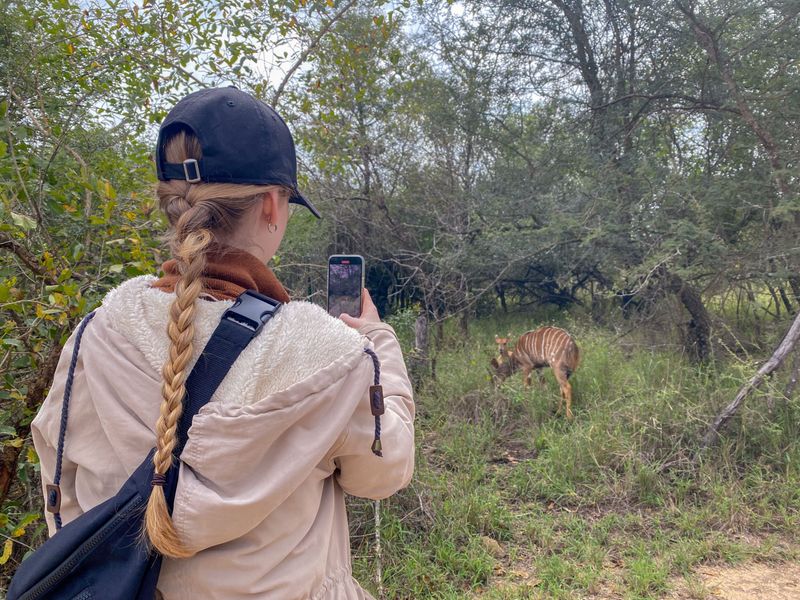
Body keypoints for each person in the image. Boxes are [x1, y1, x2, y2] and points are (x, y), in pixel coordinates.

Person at [31, 87, 415, 599]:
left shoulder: (97, 332)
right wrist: (378, 343)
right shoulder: (331, 355)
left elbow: (61, 483)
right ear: (273, 206)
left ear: (171, 206)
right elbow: (384, 473)